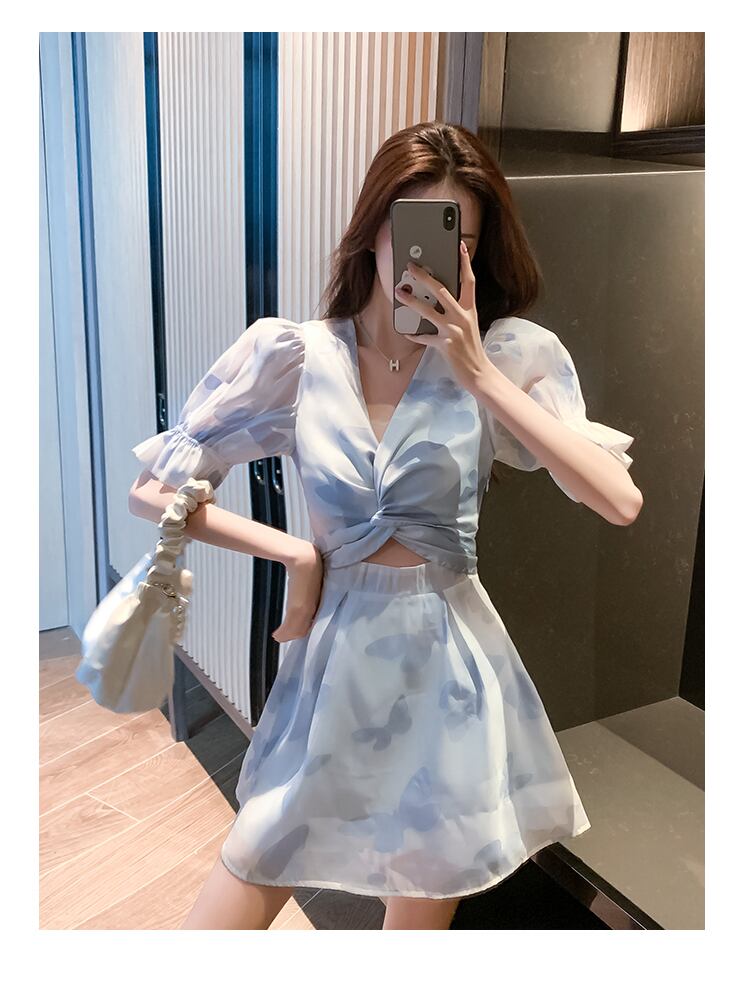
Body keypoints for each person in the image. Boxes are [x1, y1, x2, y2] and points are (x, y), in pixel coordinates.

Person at [128, 122, 642, 931]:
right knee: (241, 881)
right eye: (412, 226)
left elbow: (619, 500)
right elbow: (152, 490)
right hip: (332, 670)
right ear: (373, 227)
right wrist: (294, 553)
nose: (428, 257)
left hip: (449, 681)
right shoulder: (295, 356)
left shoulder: (508, 356)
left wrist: (479, 374)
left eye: (457, 238)